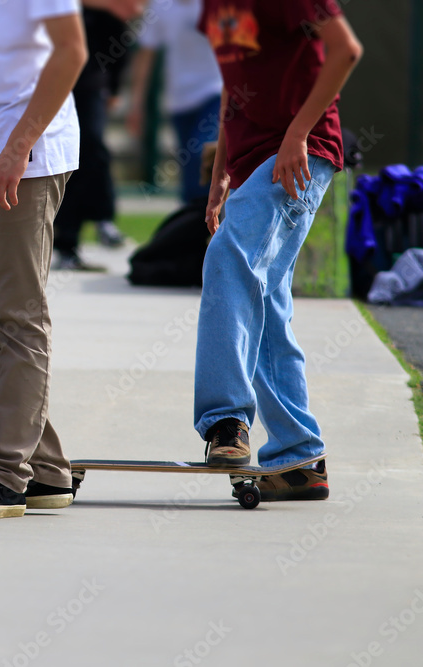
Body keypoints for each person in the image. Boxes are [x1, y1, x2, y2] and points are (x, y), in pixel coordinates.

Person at [0, 0, 141, 519]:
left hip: (29, 158)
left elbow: (71, 51)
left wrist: (18, 148)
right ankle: (46, 469)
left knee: (17, 312)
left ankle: (3, 471)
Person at [194, 0, 362, 500]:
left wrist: (299, 132)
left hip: (299, 156)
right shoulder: (216, 7)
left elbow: (344, 52)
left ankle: (226, 420)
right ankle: (298, 456)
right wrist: (222, 170)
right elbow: (235, 84)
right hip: (253, 163)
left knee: (228, 258)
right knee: (265, 299)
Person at [52, 6, 132, 271]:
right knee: (64, 162)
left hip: (90, 89)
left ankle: (102, 218)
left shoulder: (101, 17)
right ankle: (67, 242)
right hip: (55, 90)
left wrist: (115, 87)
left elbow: (122, 41)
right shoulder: (54, 12)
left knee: (92, 148)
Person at [127, 0, 223, 204]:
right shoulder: (160, 7)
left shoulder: (215, 5)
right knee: (188, 166)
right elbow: (146, 55)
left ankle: (213, 213)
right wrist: (137, 105)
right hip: (178, 99)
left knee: (202, 152)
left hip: (214, 91)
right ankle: (194, 223)